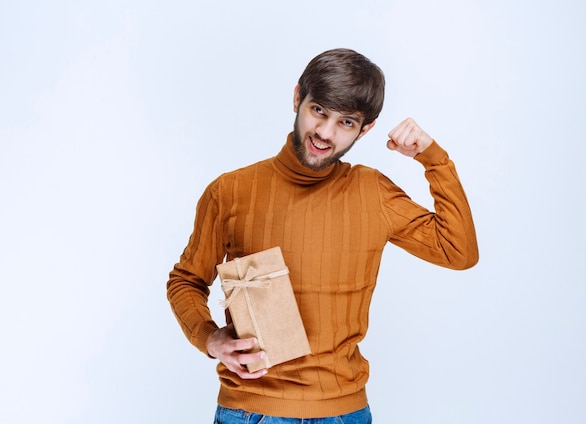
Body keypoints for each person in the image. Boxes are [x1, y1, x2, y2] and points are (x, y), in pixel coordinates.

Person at [166, 48, 478, 423]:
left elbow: (458, 251)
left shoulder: (372, 192)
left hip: (344, 412)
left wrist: (433, 159)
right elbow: (186, 280)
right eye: (319, 111)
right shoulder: (230, 191)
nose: (325, 134)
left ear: (366, 129)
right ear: (298, 98)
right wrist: (209, 338)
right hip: (251, 410)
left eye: (346, 122)